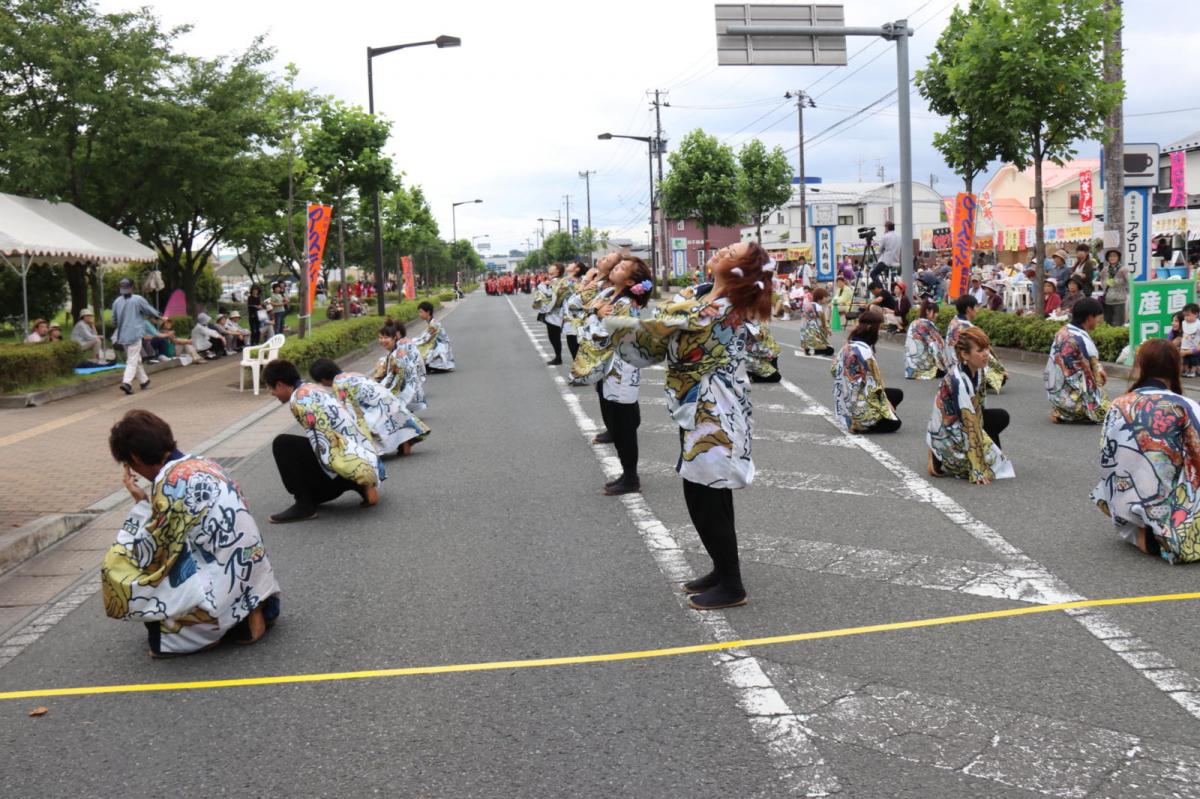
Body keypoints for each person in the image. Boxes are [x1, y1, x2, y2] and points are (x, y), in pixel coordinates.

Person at [609, 241, 774, 610]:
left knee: (708, 491)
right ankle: (722, 569)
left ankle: (732, 584)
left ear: (740, 270)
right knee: (703, 489)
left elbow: (665, 322)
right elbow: (667, 322)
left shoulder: (720, 308)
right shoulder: (701, 294)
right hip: (694, 401)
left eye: (730, 252)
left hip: (715, 405)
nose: (720, 252)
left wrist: (615, 321)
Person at [101, 409, 281, 657]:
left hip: (220, 588)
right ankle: (254, 606)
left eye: (129, 464)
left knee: (126, 569)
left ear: (135, 458)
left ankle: (218, 625)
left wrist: (141, 503)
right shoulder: (204, 463)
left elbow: (150, 554)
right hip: (254, 575)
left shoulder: (169, 485)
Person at [1092, 338, 1200, 562]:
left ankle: (1142, 528)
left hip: (1125, 499)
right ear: (1175, 367)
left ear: (1141, 365)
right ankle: (1163, 534)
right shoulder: (1183, 405)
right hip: (1167, 500)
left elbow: (1105, 455)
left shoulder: (1118, 404)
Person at [264, 359, 382, 523]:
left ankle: (304, 505)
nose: (271, 393)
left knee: (283, 444)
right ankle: (357, 484)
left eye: (270, 388)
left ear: (281, 385)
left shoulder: (299, 401)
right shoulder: (313, 388)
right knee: (313, 486)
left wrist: (353, 471)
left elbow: (325, 442)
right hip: (364, 455)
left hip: (350, 463)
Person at [592, 257, 654, 494]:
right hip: (612, 367)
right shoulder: (613, 296)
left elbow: (606, 333)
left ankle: (631, 477)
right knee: (618, 420)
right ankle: (628, 473)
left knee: (622, 424)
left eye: (621, 268)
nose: (615, 267)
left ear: (629, 281)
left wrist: (598, 315)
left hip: (620, 369)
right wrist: (597, 311)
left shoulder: (624, 303)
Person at [927, 326, 1014, 484]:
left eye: (986, 348)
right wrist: (977, 469)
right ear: (965, 354)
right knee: (989, 466)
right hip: (950, 431)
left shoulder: (978, 370)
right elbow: (969, 424)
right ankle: (938, 452)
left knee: (1000, 417)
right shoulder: (958, 381)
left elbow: (978, 411)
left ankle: (984, 457)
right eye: (980, 350)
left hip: (967, 422)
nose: (986, 354)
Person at [310, 358, 429, 457]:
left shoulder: (338, 385)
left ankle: (373, 450)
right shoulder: (353, 374)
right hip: (392, 403)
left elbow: (346, 410)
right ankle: (404, 441)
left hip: (380, 411)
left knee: (355, 421)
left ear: (323, 379)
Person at [832, 308, 903, 433]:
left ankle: (866, 418)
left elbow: (833, 370)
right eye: (878, 328)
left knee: (897, 394)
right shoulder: (865, 352)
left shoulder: (848, 346)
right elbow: (875, 386)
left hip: (844, 403)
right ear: (870, 328)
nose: (879, 332)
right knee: (895, 423)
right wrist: (886, 406)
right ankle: (863, 424)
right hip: (858, 406)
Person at [1045, 298, 1110, 423]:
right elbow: (1097, 372)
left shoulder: (1062, 332)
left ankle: (1062, 410)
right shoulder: (1081, 339)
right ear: (1090, 317)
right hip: (1072, 400)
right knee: (1109, 413)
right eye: (1097, 317)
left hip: (1055, 395)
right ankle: (1071, 412)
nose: (1098, 321)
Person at [944, 294, 1007, 393]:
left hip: (950, 365)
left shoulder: (953, 322)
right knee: (1000, 377)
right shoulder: (968, 328)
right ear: (969, 309)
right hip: (963, 364)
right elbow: (984, 351)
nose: (977, 310)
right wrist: (1001, 369)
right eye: (976, 307)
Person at [111, 277, 161, 395]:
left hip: (122, 336)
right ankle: (127, 383)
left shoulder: (117, 301)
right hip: (134, 334)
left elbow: (113, 320)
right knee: (132, 360)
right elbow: (150, 311)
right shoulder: (138, 299)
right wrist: (160, 315)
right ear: (132, 287)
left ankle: (144, 380)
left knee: (135, 358)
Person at [375, 319, 427, 412]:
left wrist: (380, 388)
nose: (382, 340)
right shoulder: (395, 351)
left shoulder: (400, 352)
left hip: (406, 392)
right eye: (380, 337)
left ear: (395, 336)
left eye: (386, 337)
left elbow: (398, 378)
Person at [533, 263, 568, 365]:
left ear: (557, 270)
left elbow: (549, 295)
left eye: (552, 266)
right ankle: (558, 357)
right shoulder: (553, 280)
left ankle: (558, 358)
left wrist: (542, 285)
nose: (549, 267)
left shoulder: (556, 281)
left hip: (555, 313)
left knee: (554, 335)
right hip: (552, 312)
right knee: (553, 335)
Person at [905, 300, 946, 380]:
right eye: (935, 312)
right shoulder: (928, 325)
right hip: (924, 367)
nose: (937, 315)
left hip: (910, 368)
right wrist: (945, 366)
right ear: (928, 311)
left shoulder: (914, 322)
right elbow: (938, 346)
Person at [413, 300, 455, 373]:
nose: (419, 314)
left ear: (428, 312)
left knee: (419, 346)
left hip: (442, 347)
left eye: (421, 312)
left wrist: (413, 342)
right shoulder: (432, 323)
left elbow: (426, 339)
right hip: (438, 345)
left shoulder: (434, 325)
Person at [798, 287, 835, 356]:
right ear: (820, 298)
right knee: (831, 350)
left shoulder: (807, 305)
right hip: (813, 335)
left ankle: (809, 348)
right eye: (825, 297)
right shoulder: (819, 307)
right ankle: (815, 350)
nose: (827, 299)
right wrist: (828, 330)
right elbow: (823, 323)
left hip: (804, 336)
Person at [1100, 248, 1128, 327]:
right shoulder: (1105, 270)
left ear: (1118, 257)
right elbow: (1102, 283)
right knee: (1107, 324)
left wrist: (1116, 282)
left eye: (1114, 256)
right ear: (1107, 258)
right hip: (1107, 300)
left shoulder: (1123, 270)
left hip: (1119, 300)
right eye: (1110, 256)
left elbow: (1129, 282)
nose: (1112, 258)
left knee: (1118, 324)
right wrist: (1106, 284)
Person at [1180, 303, 1200, 378]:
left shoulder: (1198, 324)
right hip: (1184, 346)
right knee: (1185, 361)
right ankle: (1187, 370)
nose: (1186, 317)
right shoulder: (1183, 323)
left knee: (1194, 361)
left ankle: (1193, 371)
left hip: (1194, 347)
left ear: (1196, 314)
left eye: (1188, 315)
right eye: (1184, 315)